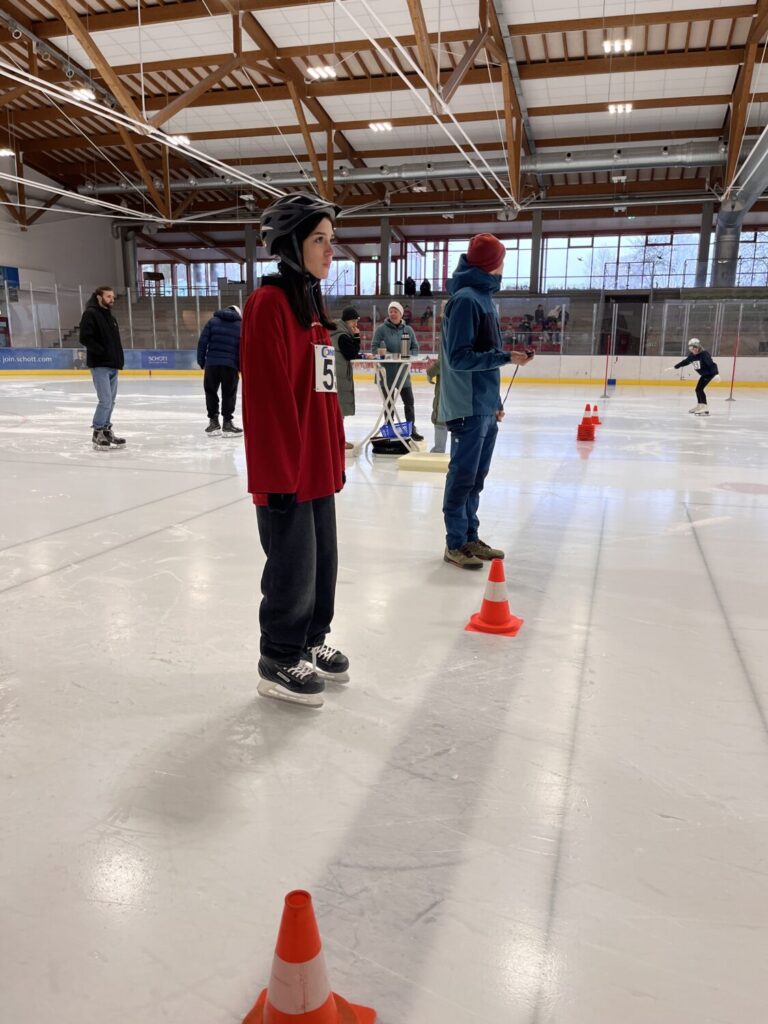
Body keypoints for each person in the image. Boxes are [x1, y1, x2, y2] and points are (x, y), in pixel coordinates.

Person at [240, 192, 348, 708]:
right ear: (291, 245)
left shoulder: (312, 307)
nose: (330, 250)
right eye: (319, 239)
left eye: (332, 240)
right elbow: (267, 399)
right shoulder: (269, 304)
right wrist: (277, 475)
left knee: (323, 561)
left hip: (316, 464)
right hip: (286, 470)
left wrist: (334, 457)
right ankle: (278, 656)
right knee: (293, 566)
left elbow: (323, 392)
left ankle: (310, 639)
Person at [440, 233, 534, 570]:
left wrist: (495, 401)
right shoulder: (467, 300)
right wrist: (506, 357)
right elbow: (459, 358)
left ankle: (469, 536)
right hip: (466, 406)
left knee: (476, 477)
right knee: (463, 477)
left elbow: (484, 358)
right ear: (492, 263)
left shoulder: (482, 299)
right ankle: (455, 543)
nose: (503, 265)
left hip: (483, 405)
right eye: (502, 259)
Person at [78, 285, 126, 450]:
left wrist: (118, 359)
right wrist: (101, 351)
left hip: (113, 364)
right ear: (99, 297)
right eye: (108, 297)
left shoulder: (110, 316)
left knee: (111, 401)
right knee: (105, 400)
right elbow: (84, 338)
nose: (112, 299)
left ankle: (106, 430)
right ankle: (97, 431)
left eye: (112, 297)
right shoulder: (90, 314)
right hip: (100, 365)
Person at [371, 300, 423, 441]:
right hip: (385, 374)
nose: (393, 313)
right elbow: (374, 348)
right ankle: (389, 429)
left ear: (401, 314)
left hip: (403, 373)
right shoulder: (381, 330)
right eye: (391, 311)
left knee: (409, 402)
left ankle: (411, 429)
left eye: (395, 311)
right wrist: (390, 355)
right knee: (388, 404)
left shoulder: (408, 330)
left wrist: (407, 356)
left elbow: (415, 348)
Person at [196, 304, 243, 435]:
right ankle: (227, 423)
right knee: (229, 394)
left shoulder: (212, 322)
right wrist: (241, 367)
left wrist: (201, 361)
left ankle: (213, 422)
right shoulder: (240, 326)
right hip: (230, 366)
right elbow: (242, 348)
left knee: (211, 392)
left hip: (212, 364)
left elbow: (202, 342)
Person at [329, 306, 361, 449]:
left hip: (333, 374)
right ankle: (338, 441)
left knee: (335, 410)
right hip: (340, 374)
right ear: (347, 321)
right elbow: (352, 354)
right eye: (353, 321)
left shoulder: (335, 331)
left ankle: (335, 440)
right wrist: (357, 337)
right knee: (339, 410)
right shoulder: (342, 335)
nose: (355, 324)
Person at [665, 337, 719, 415]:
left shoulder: (704, 354)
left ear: (698, 347)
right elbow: (685, 362)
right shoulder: (692, 355)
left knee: (699, 389)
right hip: (704, 374)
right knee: (698, 389)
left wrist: (716, 374)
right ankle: (700, 406)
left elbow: (712, 364)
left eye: (695, 347)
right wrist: (675, 367)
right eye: (692, 348)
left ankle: (705, 408)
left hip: (709, 373)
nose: (694, 349)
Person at [426, 355, 447, 453]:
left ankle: (439, 450)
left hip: (445, 393)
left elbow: (442, 362)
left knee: (440, 421)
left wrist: (430, 372)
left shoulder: (447, 350)